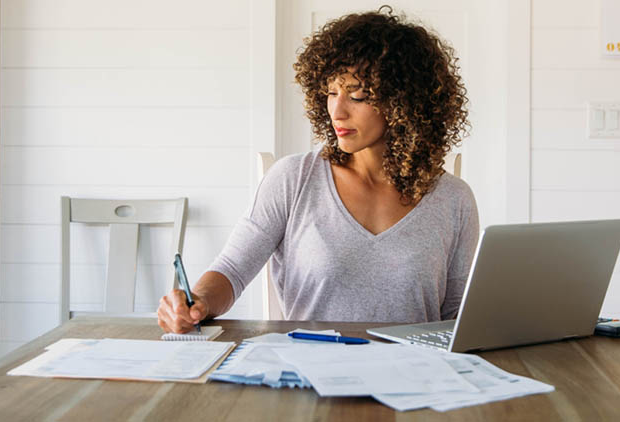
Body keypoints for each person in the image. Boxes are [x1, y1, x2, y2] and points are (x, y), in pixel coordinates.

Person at [158, 6, 479, 333]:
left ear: (405, 103)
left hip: (416, 376)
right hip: (308, 372)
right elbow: (231, 270)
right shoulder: (293, 179)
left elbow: (457, 318)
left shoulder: (453, 199)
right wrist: (197, 302)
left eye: (358, 95)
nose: (337, 111)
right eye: (330, 93)